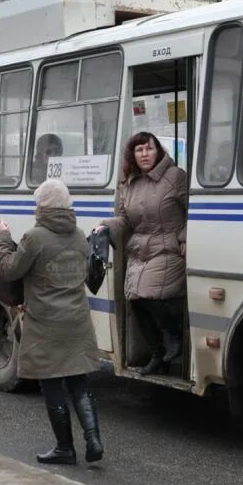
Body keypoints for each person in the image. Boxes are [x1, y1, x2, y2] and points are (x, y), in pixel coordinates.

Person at [0, 179, 104, 465]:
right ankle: (93, 439)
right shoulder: (80, 236)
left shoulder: (35, 238)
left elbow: (9, 270)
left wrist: (4, 238)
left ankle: (65, 448)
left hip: (46, 323)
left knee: (53, 384)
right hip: (77, 319)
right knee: (78, 381)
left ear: (42, 206)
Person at [95, 132, 188, 376]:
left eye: (149, 149)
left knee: (147, 294)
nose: (144, 154)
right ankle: (158, 354)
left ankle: (174, 336)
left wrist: (186, 237)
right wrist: (106, 226)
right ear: (132, 155)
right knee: (134, 300)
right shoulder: (129, 183)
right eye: (139, 150)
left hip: (169, 247)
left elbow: (195, 209)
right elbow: (124, 220)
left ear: (158, 151)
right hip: (140, 249)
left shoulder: (175, 177)